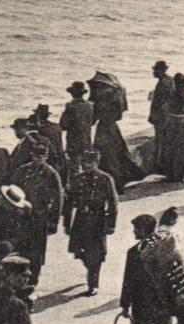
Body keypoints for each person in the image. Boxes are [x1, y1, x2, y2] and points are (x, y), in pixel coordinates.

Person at [62, 149, 117, 295]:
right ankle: (90, 267)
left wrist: (111, 224)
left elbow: (113, 202)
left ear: (97, 163)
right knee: (79, 250)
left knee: (96, 253)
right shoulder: (77, 179)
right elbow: (69, 202)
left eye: (91, 163)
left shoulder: (106, 179)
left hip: (98, 219)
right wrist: (66, 223)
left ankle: (93, 283)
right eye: (85, 162)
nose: (88, 166)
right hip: (81, 219)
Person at [119, 214, 167, 324]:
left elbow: (128, 281)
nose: (134, 231)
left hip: (144, 306)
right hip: (161, 305)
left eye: (136, 228)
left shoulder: (135, 252)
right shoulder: (164, 247)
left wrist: (125, 305)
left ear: (144, 230)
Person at [11, 143, 62, 286]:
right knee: (21, 247)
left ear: (46, 157)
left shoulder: (51, 173)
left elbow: (58, 198)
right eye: (35, 156)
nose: (37, 159)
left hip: (40, 217)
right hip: (22, 216)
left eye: (41, 156)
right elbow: (13, 189)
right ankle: (18, 278)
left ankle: (33, 280)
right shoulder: (22, 170)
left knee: (37, 251)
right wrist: (15, 208)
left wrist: (54, 220)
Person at [88, 71, 142, 192]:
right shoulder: (115, 97)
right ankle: (118, 183)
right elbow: (119, 115)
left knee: (107, 157)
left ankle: (113, 185)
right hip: (113, 128)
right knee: (117, 154)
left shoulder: (100, 100)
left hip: (103, 129)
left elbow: (93, 119)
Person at [59, 81, 96, 162]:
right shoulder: (90, 106)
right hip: (87, 141)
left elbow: (62, 126)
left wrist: (66, 110)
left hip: (74, 142)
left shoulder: (71, 107)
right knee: (86, 163)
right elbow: (92, 122)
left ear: (72, 93)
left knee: (74, 165)